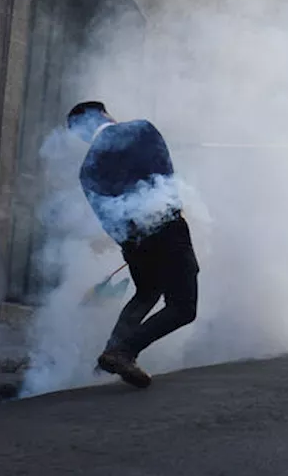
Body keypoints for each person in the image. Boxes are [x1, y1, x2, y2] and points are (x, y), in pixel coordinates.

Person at [69, 101, 199, 389]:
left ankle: (106, 361)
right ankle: (122, 352)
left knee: (147, 292)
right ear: (105, 114)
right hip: (166, 227)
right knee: (183, 307)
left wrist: (131, 244)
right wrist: (170, 211)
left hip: (133, 242)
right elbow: (165, 173)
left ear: (82, 133)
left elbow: (105, 215)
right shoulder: (141, 129)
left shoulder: (86, 170)